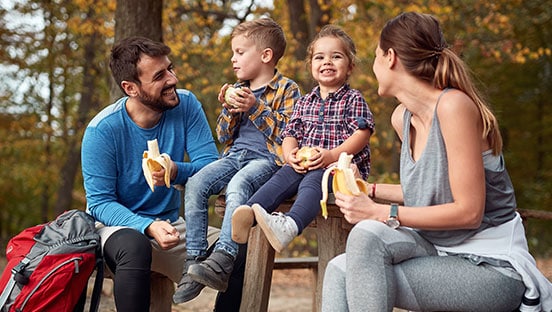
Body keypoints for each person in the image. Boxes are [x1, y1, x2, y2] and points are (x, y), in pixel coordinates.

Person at [322, 12, 552, 312]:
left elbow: (469, 211)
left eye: (376, 56)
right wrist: (369, 189)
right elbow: (430, 191)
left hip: (489, 263)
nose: (374, 67)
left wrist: (381, 212)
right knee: (342, 264)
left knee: (359, 257)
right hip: (438, 248)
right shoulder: (401, 118)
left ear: (390, 57)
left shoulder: (454, 106)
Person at [82, 36, 228, 312]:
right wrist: (146, 226)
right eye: (160, 76)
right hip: (115, 228)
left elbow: (212, 168)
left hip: (173, 225)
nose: (172, 79)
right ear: (130, 88)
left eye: (170, 69)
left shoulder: (185, 105)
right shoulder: (102, 131)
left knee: (236, 250)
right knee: (135, 246)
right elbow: (100, 203)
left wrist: (177, 170)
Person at [172, 17, 301, 304]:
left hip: (267, 161)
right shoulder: (237, 88)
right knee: (196, 183)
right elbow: (222, 135)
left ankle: (224, 258)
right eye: (233, 53)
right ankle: (195, 261)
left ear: (266, 56)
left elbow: (290, 134)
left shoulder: (288, 90)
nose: (233, 59)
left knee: (238, 187)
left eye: (240, 52)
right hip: (234, 156)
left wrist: (256, 108)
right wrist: (230, 110)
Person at [231, 24, 374, 253]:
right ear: (311, 66)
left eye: (336, 56)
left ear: (350, 67)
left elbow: (362, 134)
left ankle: (290, 225)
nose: (327, 62)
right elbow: (290, 134)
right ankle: (249, 211)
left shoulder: (353, 99)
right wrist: (290, 155)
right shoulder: (305, 102)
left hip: (340, 170)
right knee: (281, 177)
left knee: (313, 179)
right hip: (305, 164)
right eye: (319, 57)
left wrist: (331, 156)